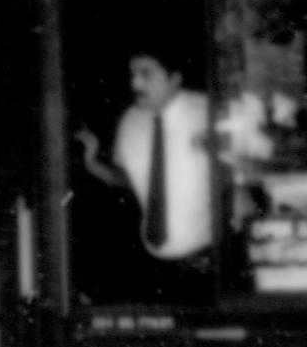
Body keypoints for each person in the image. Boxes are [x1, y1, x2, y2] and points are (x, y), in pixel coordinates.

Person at [76, 47, 214, 300]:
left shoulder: (208, 114)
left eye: (146, 73)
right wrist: (93, 162)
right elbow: (132, 181)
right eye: (133, 74)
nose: (135, 82)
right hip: (155, 268)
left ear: (174, 78)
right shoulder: (131, 121)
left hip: (210, 268)